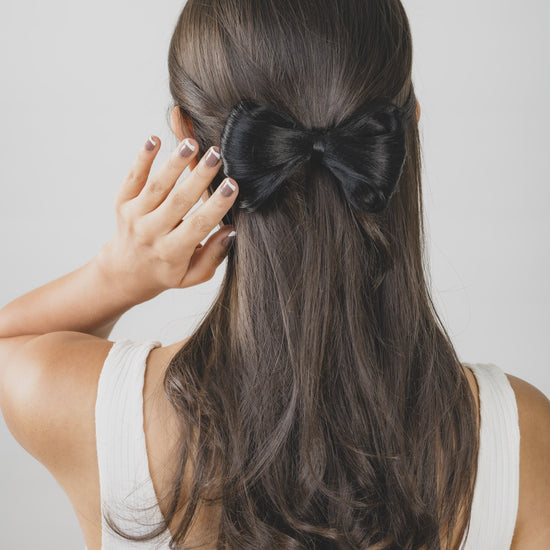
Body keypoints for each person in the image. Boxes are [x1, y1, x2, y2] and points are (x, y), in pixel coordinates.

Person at [0, 0, 548, 549]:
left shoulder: (92, 409)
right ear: (405, 131)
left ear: (188, 133)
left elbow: (10, 340)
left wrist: (117, 276)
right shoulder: (521, 438)